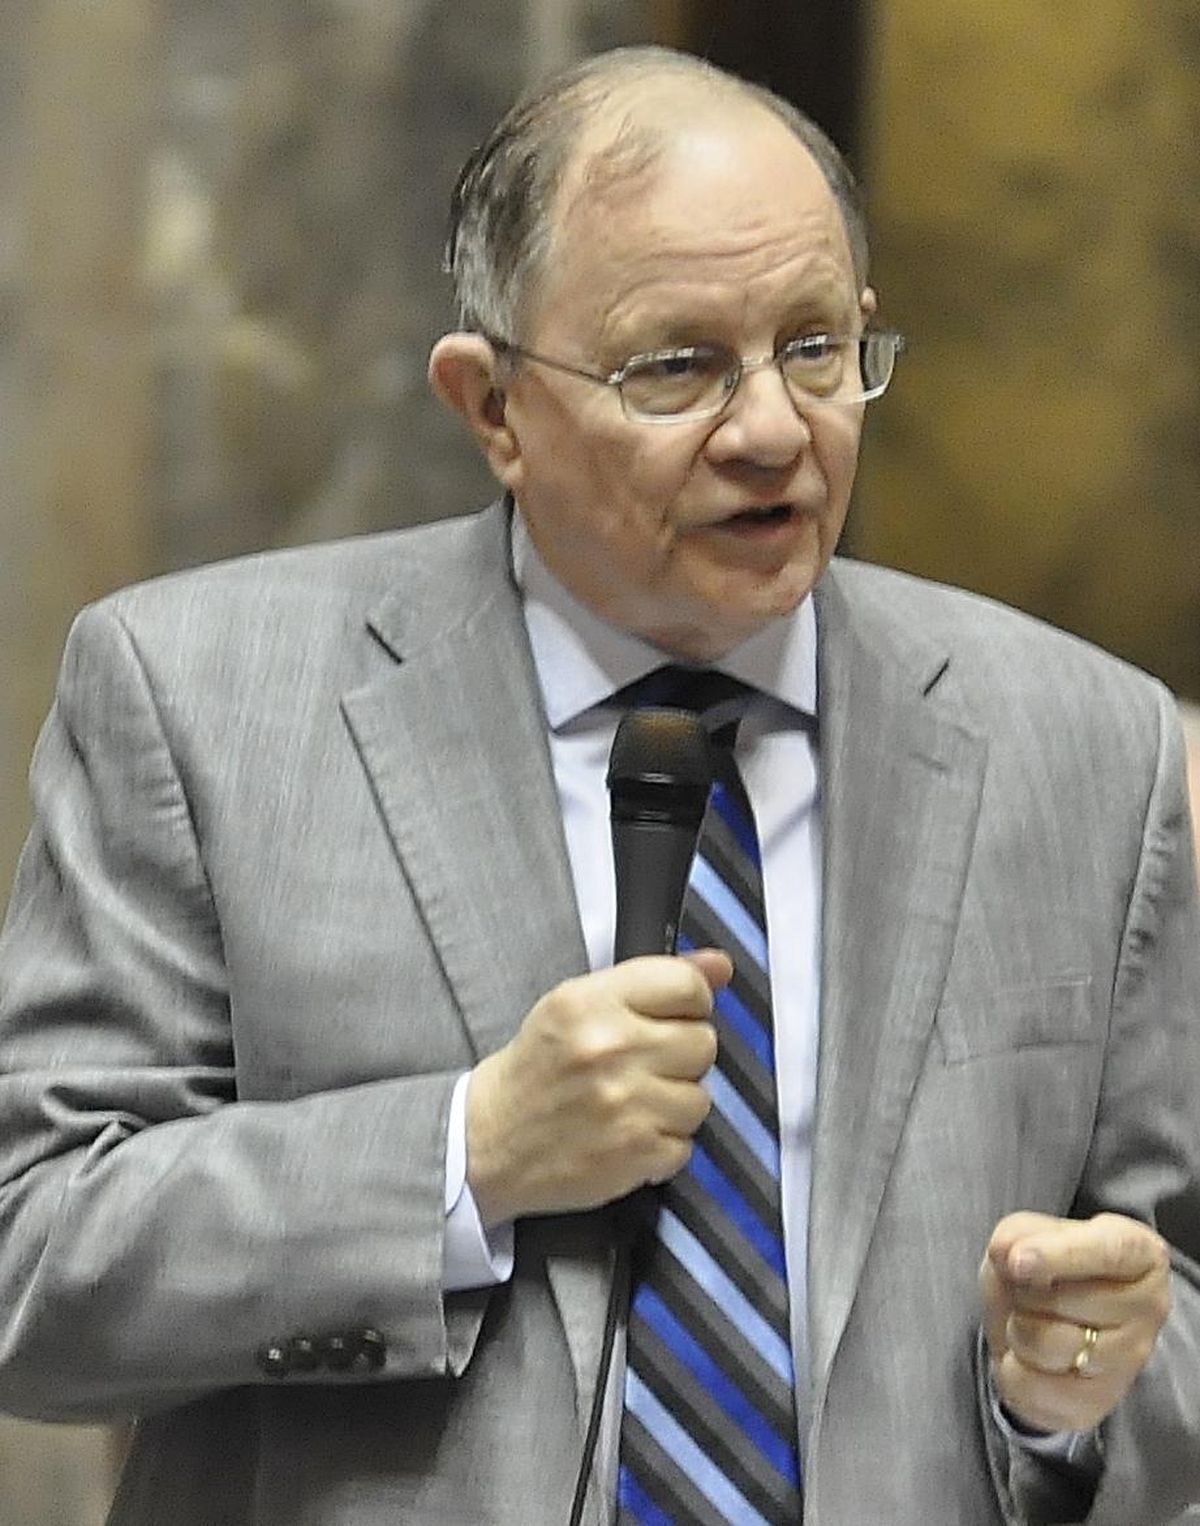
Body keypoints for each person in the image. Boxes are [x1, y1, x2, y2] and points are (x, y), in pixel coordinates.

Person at [0, 44, 1196, 1526]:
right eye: (676, 366)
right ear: (492, 406)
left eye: (818, 348)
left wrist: (1078, 1393)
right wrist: (467, 1154)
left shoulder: (1088, 746)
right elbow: (30, 1262)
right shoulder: (199, 701)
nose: (772, 428)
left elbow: (1171, 1305)